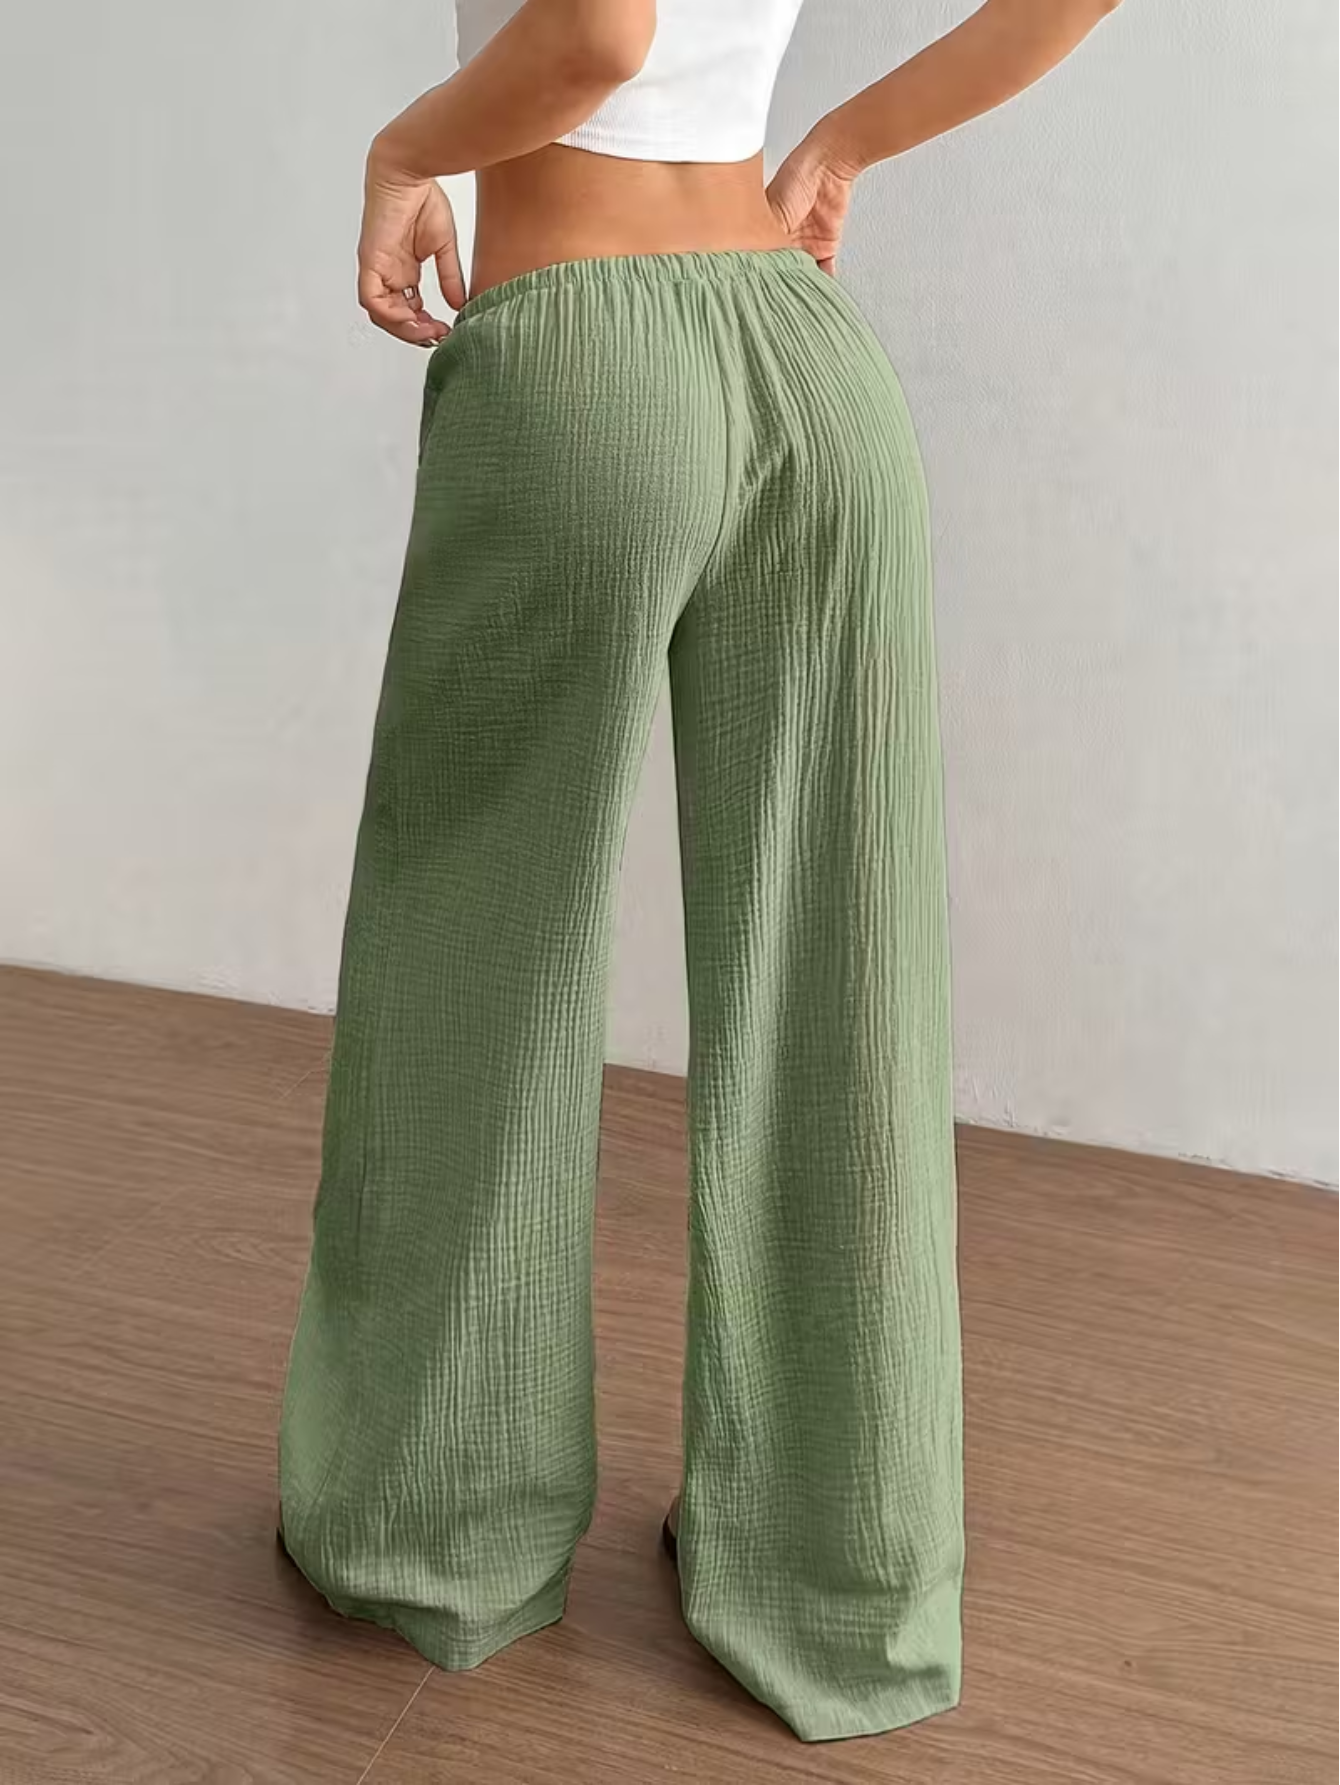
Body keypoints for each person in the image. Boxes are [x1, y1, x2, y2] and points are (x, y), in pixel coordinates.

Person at [277, 0, 1123, 1744]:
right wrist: (848, 142)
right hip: (809, 367)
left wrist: (408, 150)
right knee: (840, 985)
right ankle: (845, 1579)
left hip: (580, 355)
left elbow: (598, 35)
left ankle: (436, 1530)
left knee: (477, 943)